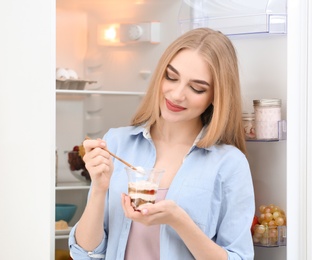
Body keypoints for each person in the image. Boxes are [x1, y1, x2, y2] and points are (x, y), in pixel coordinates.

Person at [69, 27, 255, 260]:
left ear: (216, 96)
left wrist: (179, 220)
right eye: (171, 77)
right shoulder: (117, 142)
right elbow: (85, 254)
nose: (177, 94)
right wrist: (98, 188)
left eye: (197, 88)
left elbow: (239, 256)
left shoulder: (229, 163)